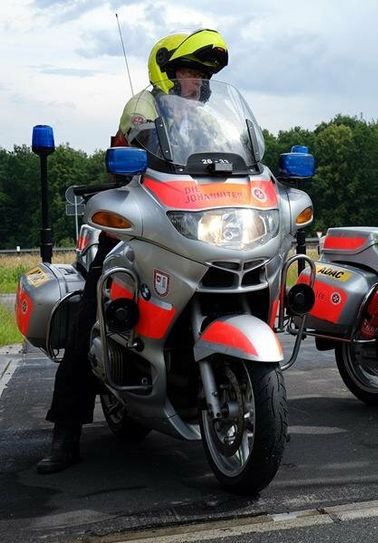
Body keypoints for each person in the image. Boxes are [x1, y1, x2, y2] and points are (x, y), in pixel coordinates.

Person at [36, 29, 229, 474]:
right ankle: (65, 431)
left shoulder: (210, 118)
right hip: (139, 228)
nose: (195, 82)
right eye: (188, 71)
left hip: (193, 230)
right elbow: (129, 156)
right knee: (93, 315)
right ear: (166, 71)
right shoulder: (144, 107)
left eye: (201, 75)